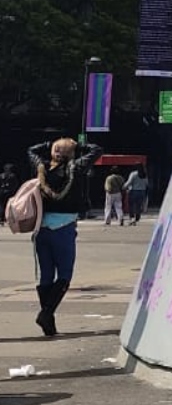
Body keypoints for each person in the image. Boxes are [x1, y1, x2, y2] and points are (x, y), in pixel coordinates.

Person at [28, 136, 102, 336]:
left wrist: (49, 144)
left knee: (45, 274)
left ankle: (48, 320)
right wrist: (79, 146)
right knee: (65, 274)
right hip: (64, 226)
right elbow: (96, 150)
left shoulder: (41, 167)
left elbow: (31, 150)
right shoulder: (76, 168)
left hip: (41, 228)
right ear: (72, 153)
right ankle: (46, 313)